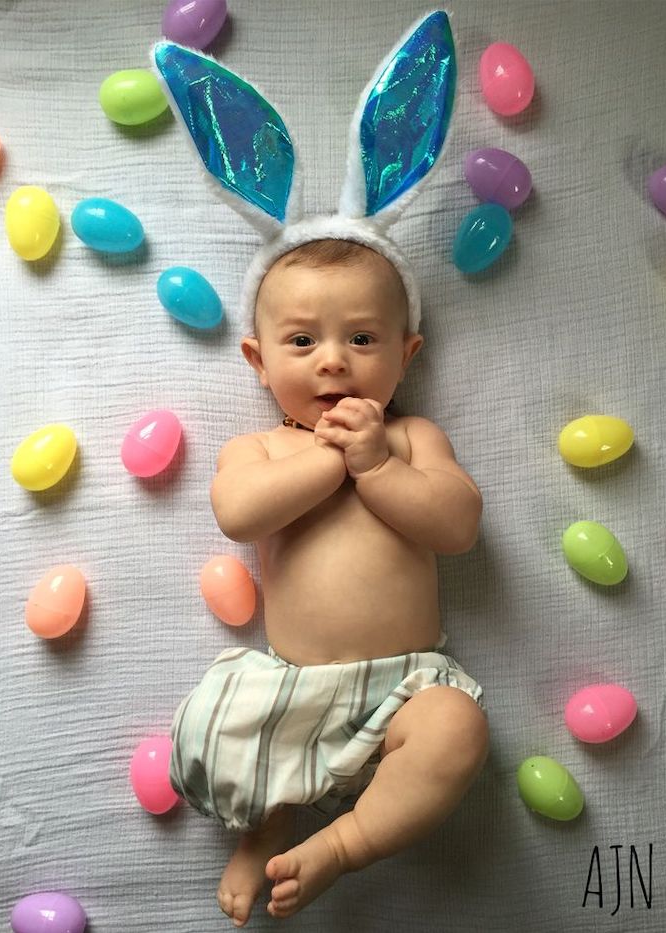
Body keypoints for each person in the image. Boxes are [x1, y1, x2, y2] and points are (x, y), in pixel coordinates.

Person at [169, 237, 489, 926]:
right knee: (222, 723)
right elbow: (238, 511)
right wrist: (328, 459)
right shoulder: (259, 449)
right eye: (303, 339)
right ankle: (270, 823)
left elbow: (458, 525)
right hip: (293, 684)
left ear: (406, 354)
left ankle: (343, 843)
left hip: (407, 688)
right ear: (259, 361)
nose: (334, 358)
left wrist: (377, 466)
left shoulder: (411, 441)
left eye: (363, 337)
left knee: (458, 728)